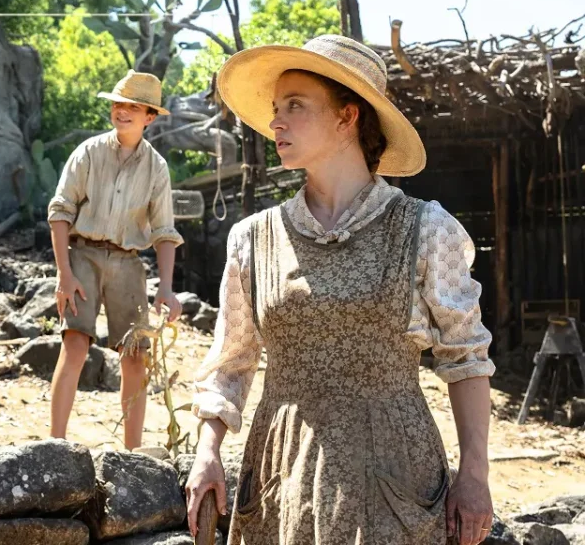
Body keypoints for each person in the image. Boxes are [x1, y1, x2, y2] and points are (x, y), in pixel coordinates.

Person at [185, 35, 495, 545]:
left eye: (295, 106)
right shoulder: (254, 238)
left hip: (396, 471)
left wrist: (475, 475)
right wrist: (208, 450)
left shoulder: (424, 228)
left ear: (346, 117)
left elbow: (466, 357)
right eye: (275, 109)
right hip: (282, 469)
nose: (276, 122)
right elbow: (230, 362)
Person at [46, 70, 185, 450]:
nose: (122, 111)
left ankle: (132, 452)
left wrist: (166, 289)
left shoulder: (156, 168)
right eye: (118, 104)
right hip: (83, 257)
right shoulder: (88, 153)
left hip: (128, 263)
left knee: (135, 356)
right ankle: (55, 444)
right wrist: (64, 274)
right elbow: (60, 211)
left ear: (149, 117)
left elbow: (164, 232)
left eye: (133, 107)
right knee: (75, 344)